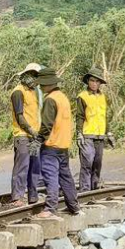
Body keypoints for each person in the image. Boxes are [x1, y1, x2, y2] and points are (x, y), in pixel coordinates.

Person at [36, 67, 81, 216]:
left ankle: (50, 207)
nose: (41, 87)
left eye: (42, 85)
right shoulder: (63, 97)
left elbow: (46, 125)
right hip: (63, 145)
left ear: (48, 84)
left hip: (51, 145)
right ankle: (74, 206)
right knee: (65, 177)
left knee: (51, 176)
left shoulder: (50, 100)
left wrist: (38, 141)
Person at [8, 63, 43, 207]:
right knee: (22, 166)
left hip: (34, 136)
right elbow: (19, 116)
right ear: (27, 76)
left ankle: (33, 196)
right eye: (34, 76)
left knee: (35, 167)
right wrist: (30, 130)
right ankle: (17, 197)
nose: (36, 80)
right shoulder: (18, 92)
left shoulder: (33, 92)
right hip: (23, 135)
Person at [76, 70, 112, 191]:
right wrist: (79, 133)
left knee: (97, 164)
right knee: (87, 163)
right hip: (87, 135)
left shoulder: (102, 97)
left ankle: (94, 190)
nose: (94, 83)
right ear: (87, 81)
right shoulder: (82, 96)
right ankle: (85, 191)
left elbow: (105, 116)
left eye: (97, 81)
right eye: (92, 80)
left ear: (100, 83)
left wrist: (109, 132)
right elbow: (80, 116)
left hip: (100, 136)